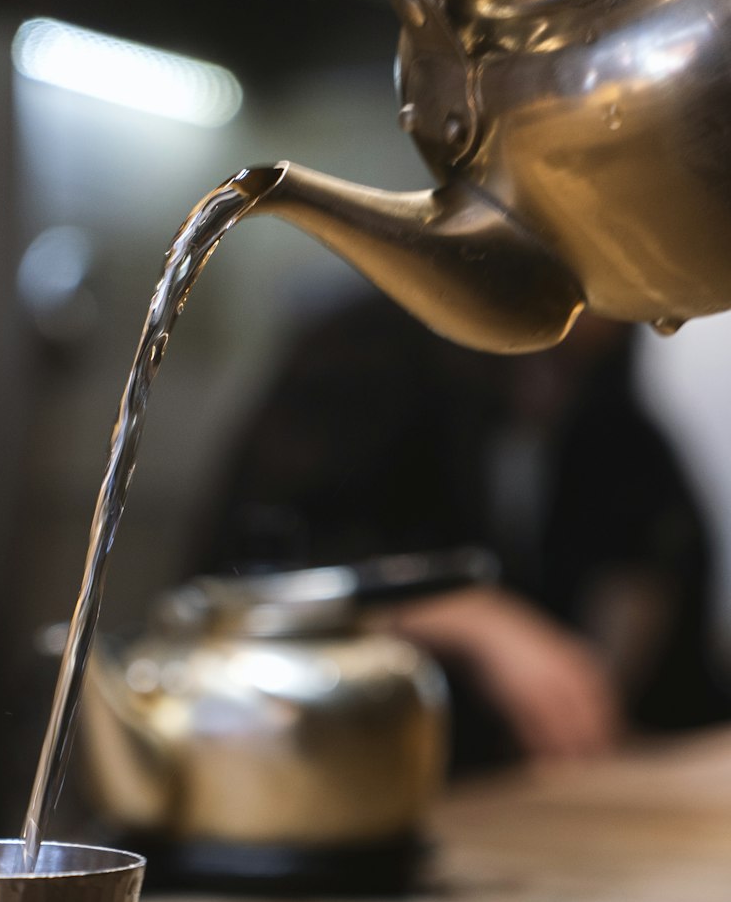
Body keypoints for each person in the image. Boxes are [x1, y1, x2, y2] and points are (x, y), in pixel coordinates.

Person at [194, 295, 731, 771]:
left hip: (521, 799)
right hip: (313, 768)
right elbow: (254, 569)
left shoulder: (608, 399)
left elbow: (655, 559)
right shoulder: (367, 346)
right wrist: (472, 617)